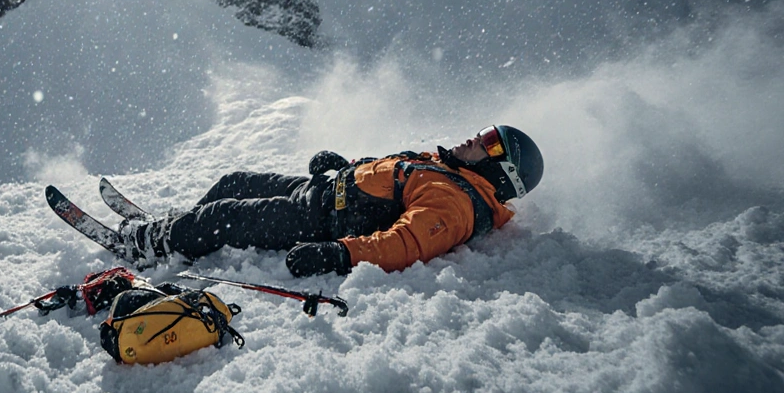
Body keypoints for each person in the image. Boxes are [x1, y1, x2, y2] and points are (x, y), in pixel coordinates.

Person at [119, 125, 543, 277]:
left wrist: (338, 255)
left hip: (319, 220)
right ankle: (181, 227)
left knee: (224, 217)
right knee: (235, 181)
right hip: (324, 192)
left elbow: (405, 244)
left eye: (489, 143)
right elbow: (389, 175)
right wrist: (346, 165)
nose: (475, 138)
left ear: (500, 171)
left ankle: (151, 244)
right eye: (486, 132)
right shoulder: (448, 170)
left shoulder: (453, 203)